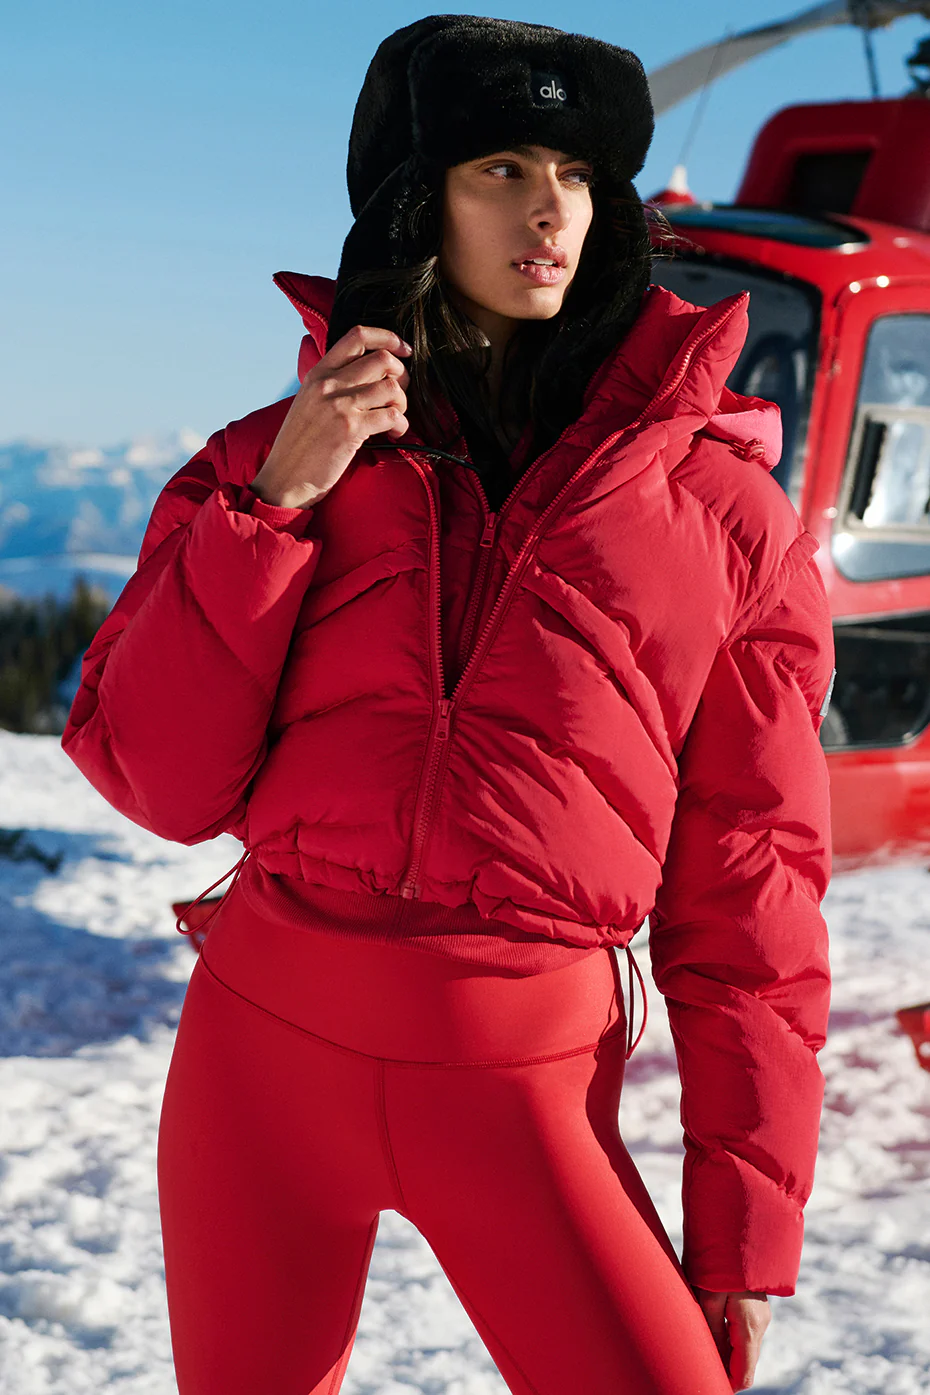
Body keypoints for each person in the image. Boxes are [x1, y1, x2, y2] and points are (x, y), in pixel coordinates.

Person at [61, 16, 835, 1395]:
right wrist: (276, 505)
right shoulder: (266, 461)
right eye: (503, 169)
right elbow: (157, 780)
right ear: (419, 204)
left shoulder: (725, 516)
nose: (551, 211)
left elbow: (754, 888)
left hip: (524, 1088)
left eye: (578, 175)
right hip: (257, 1067)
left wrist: (742, 1231)